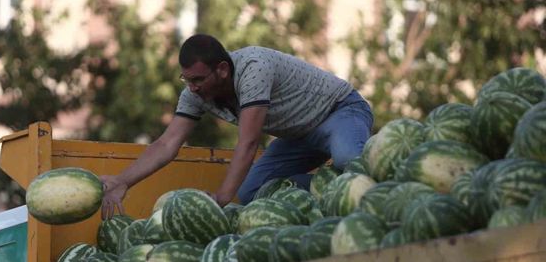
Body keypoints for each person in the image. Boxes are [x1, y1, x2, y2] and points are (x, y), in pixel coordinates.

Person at [100, 34, 373, 218]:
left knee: (349, 160)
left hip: (339, 111)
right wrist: (122, 182)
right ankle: (326, 191)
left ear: (222, 69)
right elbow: (167, 143)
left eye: (197, 80)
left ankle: (381, 191)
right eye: (186, 80)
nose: (192, 88)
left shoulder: (253, 68)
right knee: (251, 193)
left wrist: (220, 198)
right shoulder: (195, 93)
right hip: (299, 136)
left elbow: (248, 142)